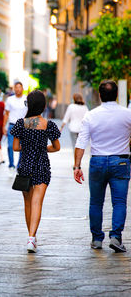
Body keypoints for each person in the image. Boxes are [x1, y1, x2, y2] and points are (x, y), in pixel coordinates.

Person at [74, 80, 131, 252]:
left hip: (98, 161)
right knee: (120, 202)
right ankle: (115, 237)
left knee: (96, 202)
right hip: (121, 161)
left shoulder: (91, 115)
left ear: (100, 95)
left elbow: (81, 142)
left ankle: (97, 239)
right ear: (116, 94)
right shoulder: (127, 114)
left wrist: (77, 166)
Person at [10, 90, 61, 253]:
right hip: (42, 166)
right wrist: (42, 148)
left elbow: (15, 147)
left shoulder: (20, 123)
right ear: (44, 106)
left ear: (29, 104)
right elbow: (56, 147)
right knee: (37, 203)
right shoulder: (49, 124)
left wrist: (29, 147)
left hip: (25, 166)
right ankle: (32, 238)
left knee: (27, 203)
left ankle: (31, 237)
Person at [3, 82, 27, 170]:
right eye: (16, 87)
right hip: (12, 125)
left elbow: (29, 113)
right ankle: (11, 164)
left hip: (23, 126)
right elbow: (6, 114)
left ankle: (19, 165)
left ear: (22, 88)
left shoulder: (26, 99)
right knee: (10, 146)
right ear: (14, 89)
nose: (17, 89)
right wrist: (3, 127)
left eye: (19, 87)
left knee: (22, 147)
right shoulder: (10, 99)